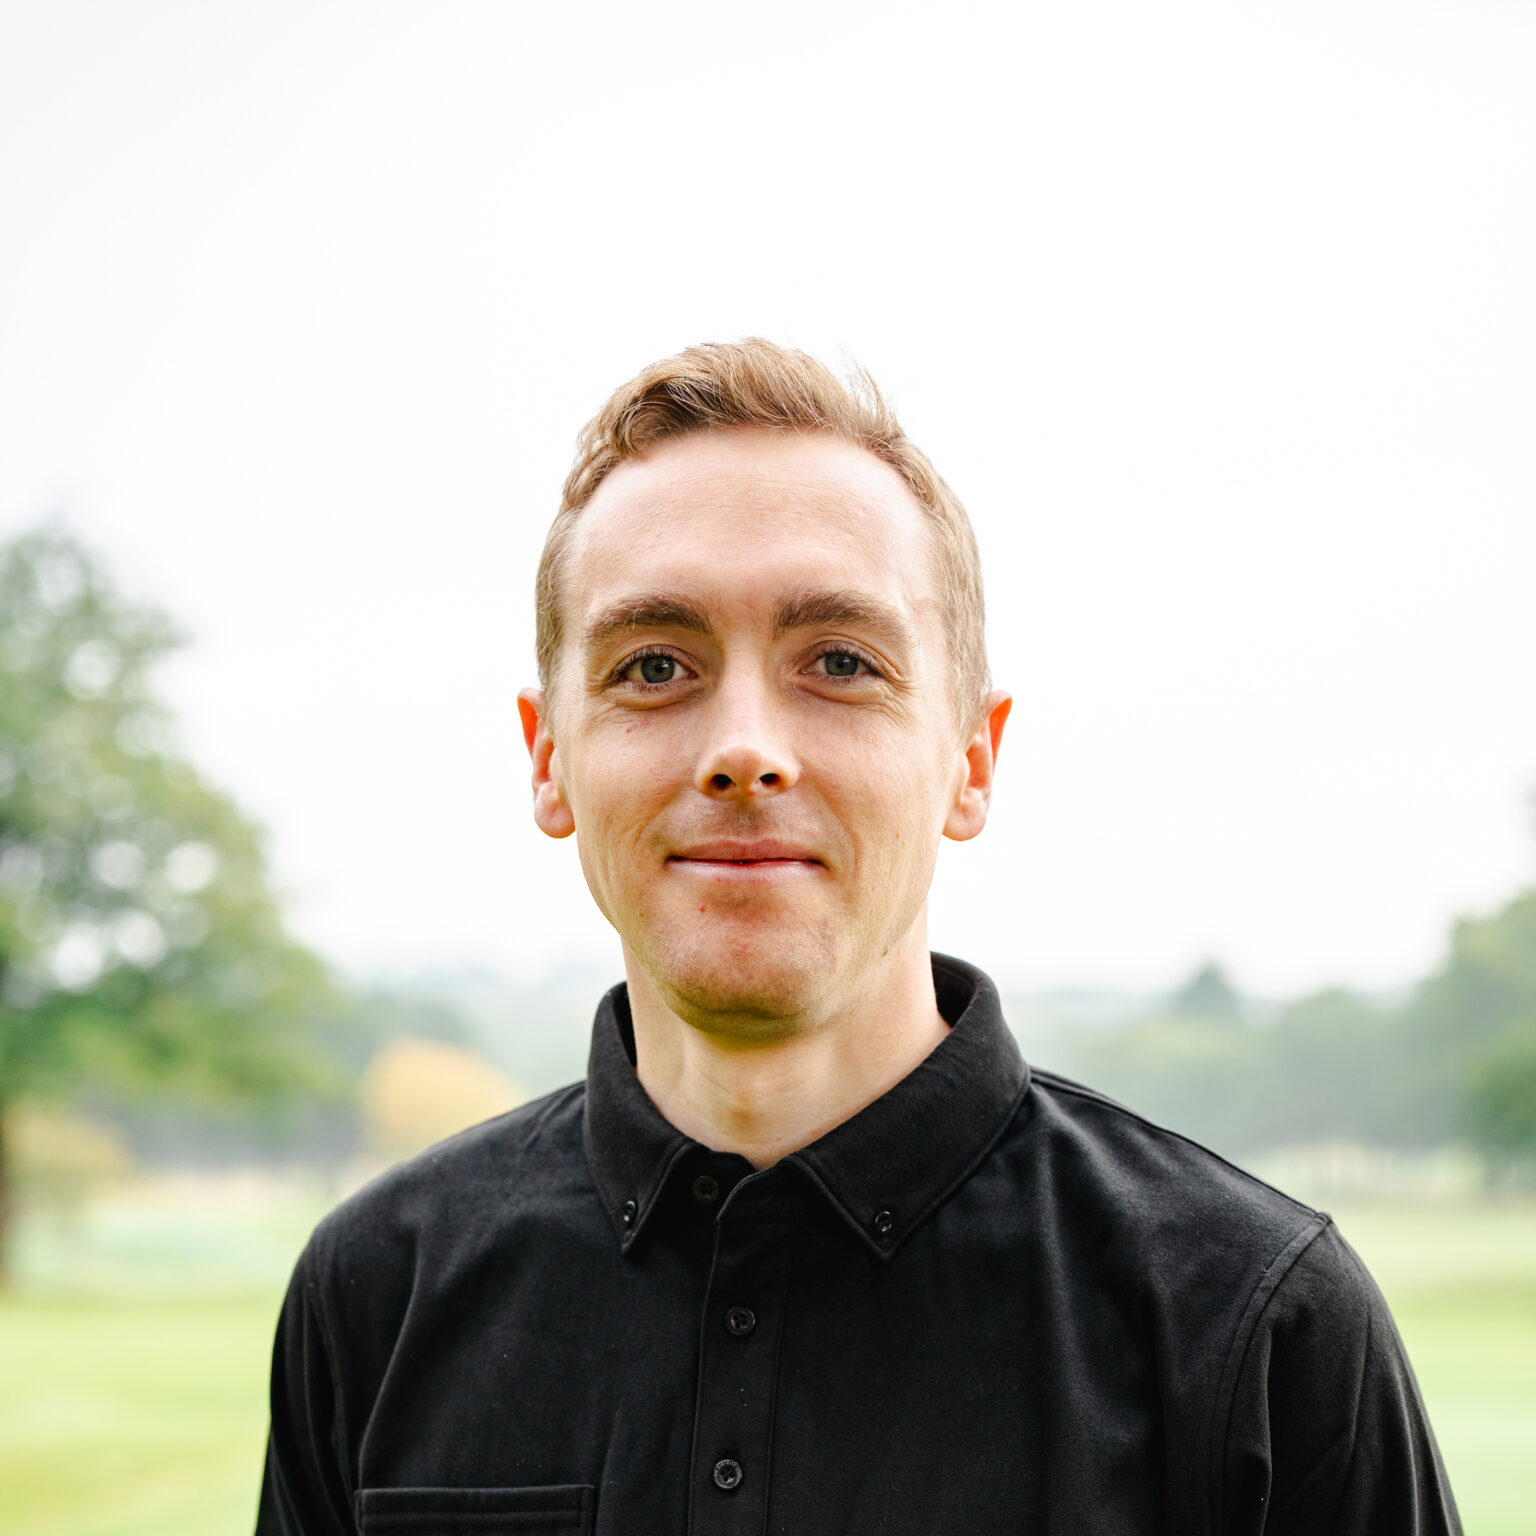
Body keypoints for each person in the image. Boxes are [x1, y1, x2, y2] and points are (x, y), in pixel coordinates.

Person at [257, 340, 1461, 1535]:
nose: (744, 749)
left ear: (971, 760)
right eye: (654, 664)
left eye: (840, 662)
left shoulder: (1255, 1322)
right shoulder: (375, 1294)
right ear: (547, 755)